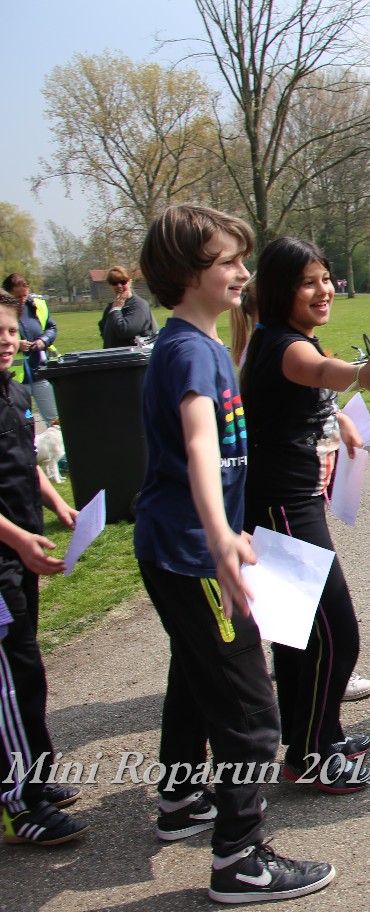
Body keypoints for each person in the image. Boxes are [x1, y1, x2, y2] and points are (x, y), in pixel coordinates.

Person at [135, 204, 335, 903]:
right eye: (229, 262)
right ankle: (239, 860)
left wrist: (228, 527)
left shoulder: (200, 342)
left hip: (183, 544)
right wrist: (220, 537)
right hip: (194, 554)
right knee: (252, 712)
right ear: (188, 274)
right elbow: (198, 442)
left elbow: (211, 456)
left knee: (197, 676)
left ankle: (180, 798)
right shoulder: (191, 352)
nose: (243, 272)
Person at [240, 237, 370, 793]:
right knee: (337, 635)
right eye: (308, 282)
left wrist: (343, 420)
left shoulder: (282, 338)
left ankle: (316, 736)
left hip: (288, 503)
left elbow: (308, 392)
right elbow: (319, 371)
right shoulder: (286, 345)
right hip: (283, 508)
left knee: (297, 636)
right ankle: (312, 752)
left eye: (326, 278)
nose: (323, 290)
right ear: (280, 290)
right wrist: (360, 374)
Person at [0, 290, 85, 846]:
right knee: (11, 679)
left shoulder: (12, 391)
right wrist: (16, 539)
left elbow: (25, 462)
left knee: (26, 667)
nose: (7, 341)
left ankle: (35, 776)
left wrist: (56, 504)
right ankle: (19, 803)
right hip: (4, 559)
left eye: (10, 331)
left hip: (18, 555)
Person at [1, 274, 58, 426]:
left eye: (24, 295)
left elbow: (51, 328)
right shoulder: (4, 312)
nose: (22, 300)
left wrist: (43, 341)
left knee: (54, 419)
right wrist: (16, 344)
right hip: (16, 380)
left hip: (40, 373)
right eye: (17, 296)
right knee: (22, 420)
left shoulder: (37, 306)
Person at [99, 266, 158, 347]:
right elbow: (103, 328)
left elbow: (124, 331)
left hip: (133, 354)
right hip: (113, 354)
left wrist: (116, 310)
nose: (119, 286)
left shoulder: (139, 305)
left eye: (123, 282)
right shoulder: (111, 307)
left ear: (130, 282)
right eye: (114, 283)